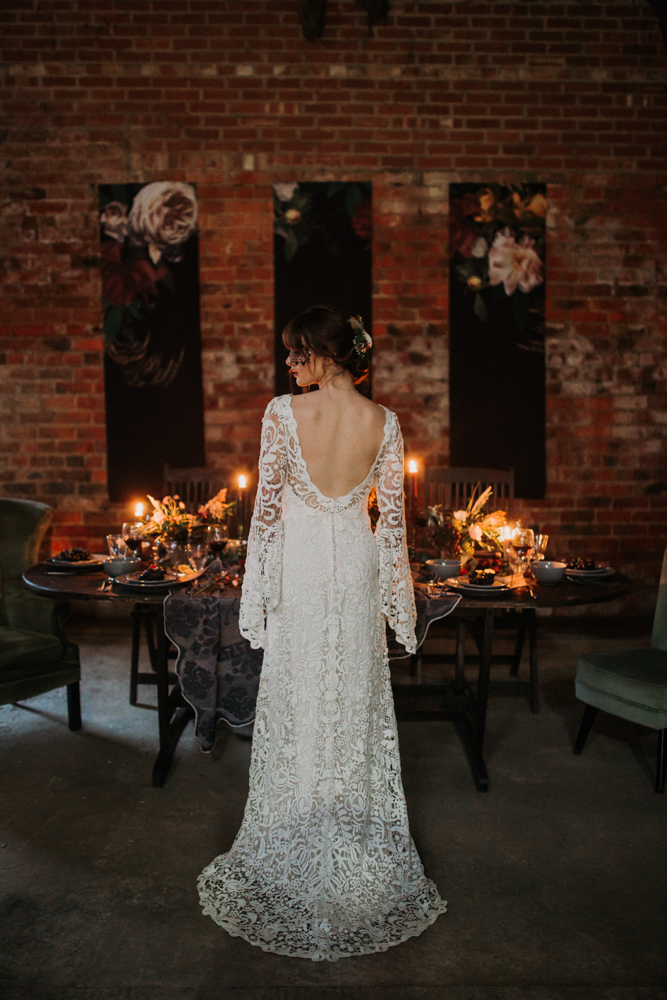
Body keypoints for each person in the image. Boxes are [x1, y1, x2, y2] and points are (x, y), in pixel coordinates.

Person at [197, 305, 446, 960]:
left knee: (301, 699)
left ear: (324, 354)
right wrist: (399, 606)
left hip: (305, 567)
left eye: (295, 353)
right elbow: (392, 527)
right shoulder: (384, 422)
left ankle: (301, 830)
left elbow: (268, 518)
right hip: (357, 565)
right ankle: (349, 835)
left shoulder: (283, 414)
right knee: (353, 700)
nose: (288, 365)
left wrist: (257, 595)